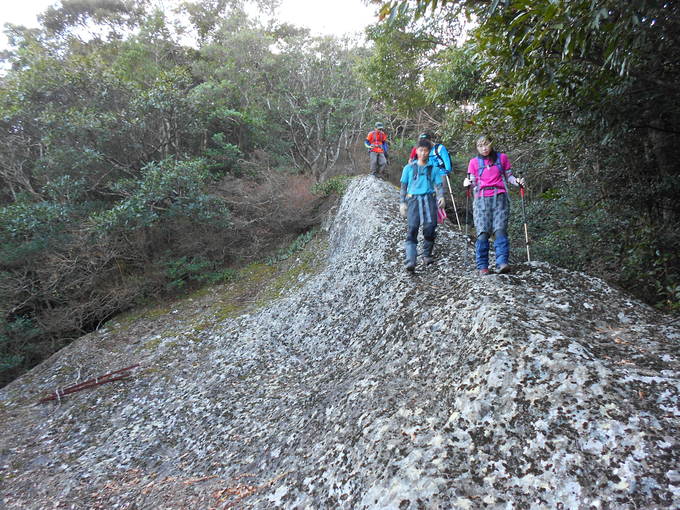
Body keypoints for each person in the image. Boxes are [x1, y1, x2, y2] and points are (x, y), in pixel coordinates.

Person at [463, 135, 524, 275]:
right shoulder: (473, 162)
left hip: (500, 198)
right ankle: (482, 266)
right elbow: (472, 181)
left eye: (486, 144)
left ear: (491, 144)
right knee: (483, 232)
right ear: (477, 148)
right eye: (480, 146)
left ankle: (502, 263)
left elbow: (509, 177)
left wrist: (518, 182)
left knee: (500, 230)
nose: (484, 148)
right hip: (481, 200)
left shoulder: (502, 158)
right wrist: (467, 183)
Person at [400, 139, 445, 272]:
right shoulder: (408, 168)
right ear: (416, 151)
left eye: (426, 151)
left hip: (429, 200)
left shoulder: (434, 168)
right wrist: (402, 203)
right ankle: (410, 260)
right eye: (421, 150)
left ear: (429, 152)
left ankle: (426, 255)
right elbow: (403, 186)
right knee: (412, 228)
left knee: (430, 228)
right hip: (413, 200)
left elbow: (438, 185)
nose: (423, 153)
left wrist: (441, 196)